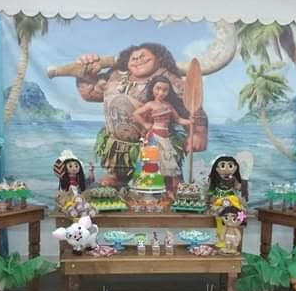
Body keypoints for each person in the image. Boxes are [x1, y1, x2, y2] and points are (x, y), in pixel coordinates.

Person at [75, 43, 207, 186]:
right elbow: (90, 94)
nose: (138, 59)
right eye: (134, 57)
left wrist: (198, 133)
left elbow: (192, 105)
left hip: (156, 139)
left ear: (159, 58)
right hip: (118, 144)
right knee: (117, 173)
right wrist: (86, 73)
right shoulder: (115, 75)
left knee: (165, 172)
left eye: (143, 56)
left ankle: (170, 184)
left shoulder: (168, 79)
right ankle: (117, 176)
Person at [132, 76, 194, 194]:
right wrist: (145, 124)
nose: (161, 93)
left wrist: (190, 122)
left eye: (165, 90)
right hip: (153, 138)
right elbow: (136, 113)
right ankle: (148, 192)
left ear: (169, 91)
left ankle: (167, 191)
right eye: (158, 89)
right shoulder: (150, 104)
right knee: (151, 164)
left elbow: (178, 120)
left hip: (165, 139)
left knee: (167, 165)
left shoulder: (169, 106)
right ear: (152, 89)